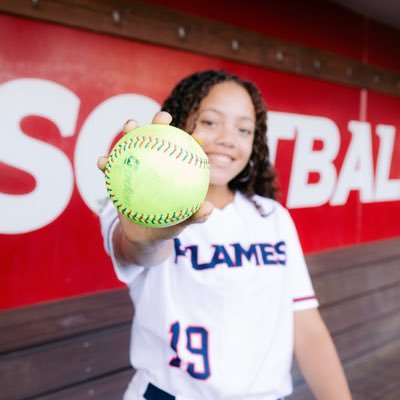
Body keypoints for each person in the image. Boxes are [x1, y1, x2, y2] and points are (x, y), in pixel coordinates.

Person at [98, 70, 352, 400]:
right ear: (180, 128)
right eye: (210, 122)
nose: (228, 138)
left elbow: (306, 325)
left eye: (244, 129)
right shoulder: (132, 205)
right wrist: (149, 235)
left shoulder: (272, 216)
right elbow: (139, 248)